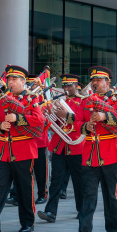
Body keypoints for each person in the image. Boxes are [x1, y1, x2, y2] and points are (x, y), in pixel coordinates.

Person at [69, 66, 117, 232]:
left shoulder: (116, 100)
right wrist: (85, 127)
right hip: (90, 152)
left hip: (110, 152)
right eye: (94, 80)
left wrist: (105, 115)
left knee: (111, 196)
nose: (95, 83)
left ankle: (113, 230)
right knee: (87, 195)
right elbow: (77, 121)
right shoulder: (86, 101)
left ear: (107, 82)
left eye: (99, 80)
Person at [0, 65, 44, 232]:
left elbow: (39, 120)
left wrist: (18, 118)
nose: (11, 82)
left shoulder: (31, 99)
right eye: (10, 79)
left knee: (24, 190)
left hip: (23, 150)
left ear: (23, 82)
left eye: (14, 80)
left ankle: (27, 223)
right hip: (2, 151)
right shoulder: (2, 100)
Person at [38, 74, 86, 223]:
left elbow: (84, 122)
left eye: (69, 85)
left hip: (76, 145)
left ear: (76, 86)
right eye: (64, 86)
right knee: (56, 181)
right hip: (60, 146)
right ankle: (50, 212)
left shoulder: (83, 102)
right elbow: (52, 123)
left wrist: (66, 116)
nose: (66, 89)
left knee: (79, 182)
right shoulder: (58, 101)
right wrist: (49, 115)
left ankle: (82, 210)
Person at [28, 74, 50, 205]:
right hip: (25, 139)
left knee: (40, 170)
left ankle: (42, 193)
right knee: (23, 171)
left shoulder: (44, 99)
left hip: (40, 139)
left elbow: (49, 117)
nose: (32, 87)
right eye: (30, 84)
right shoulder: (24, 98)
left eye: (34, 84)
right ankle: (16, 195)